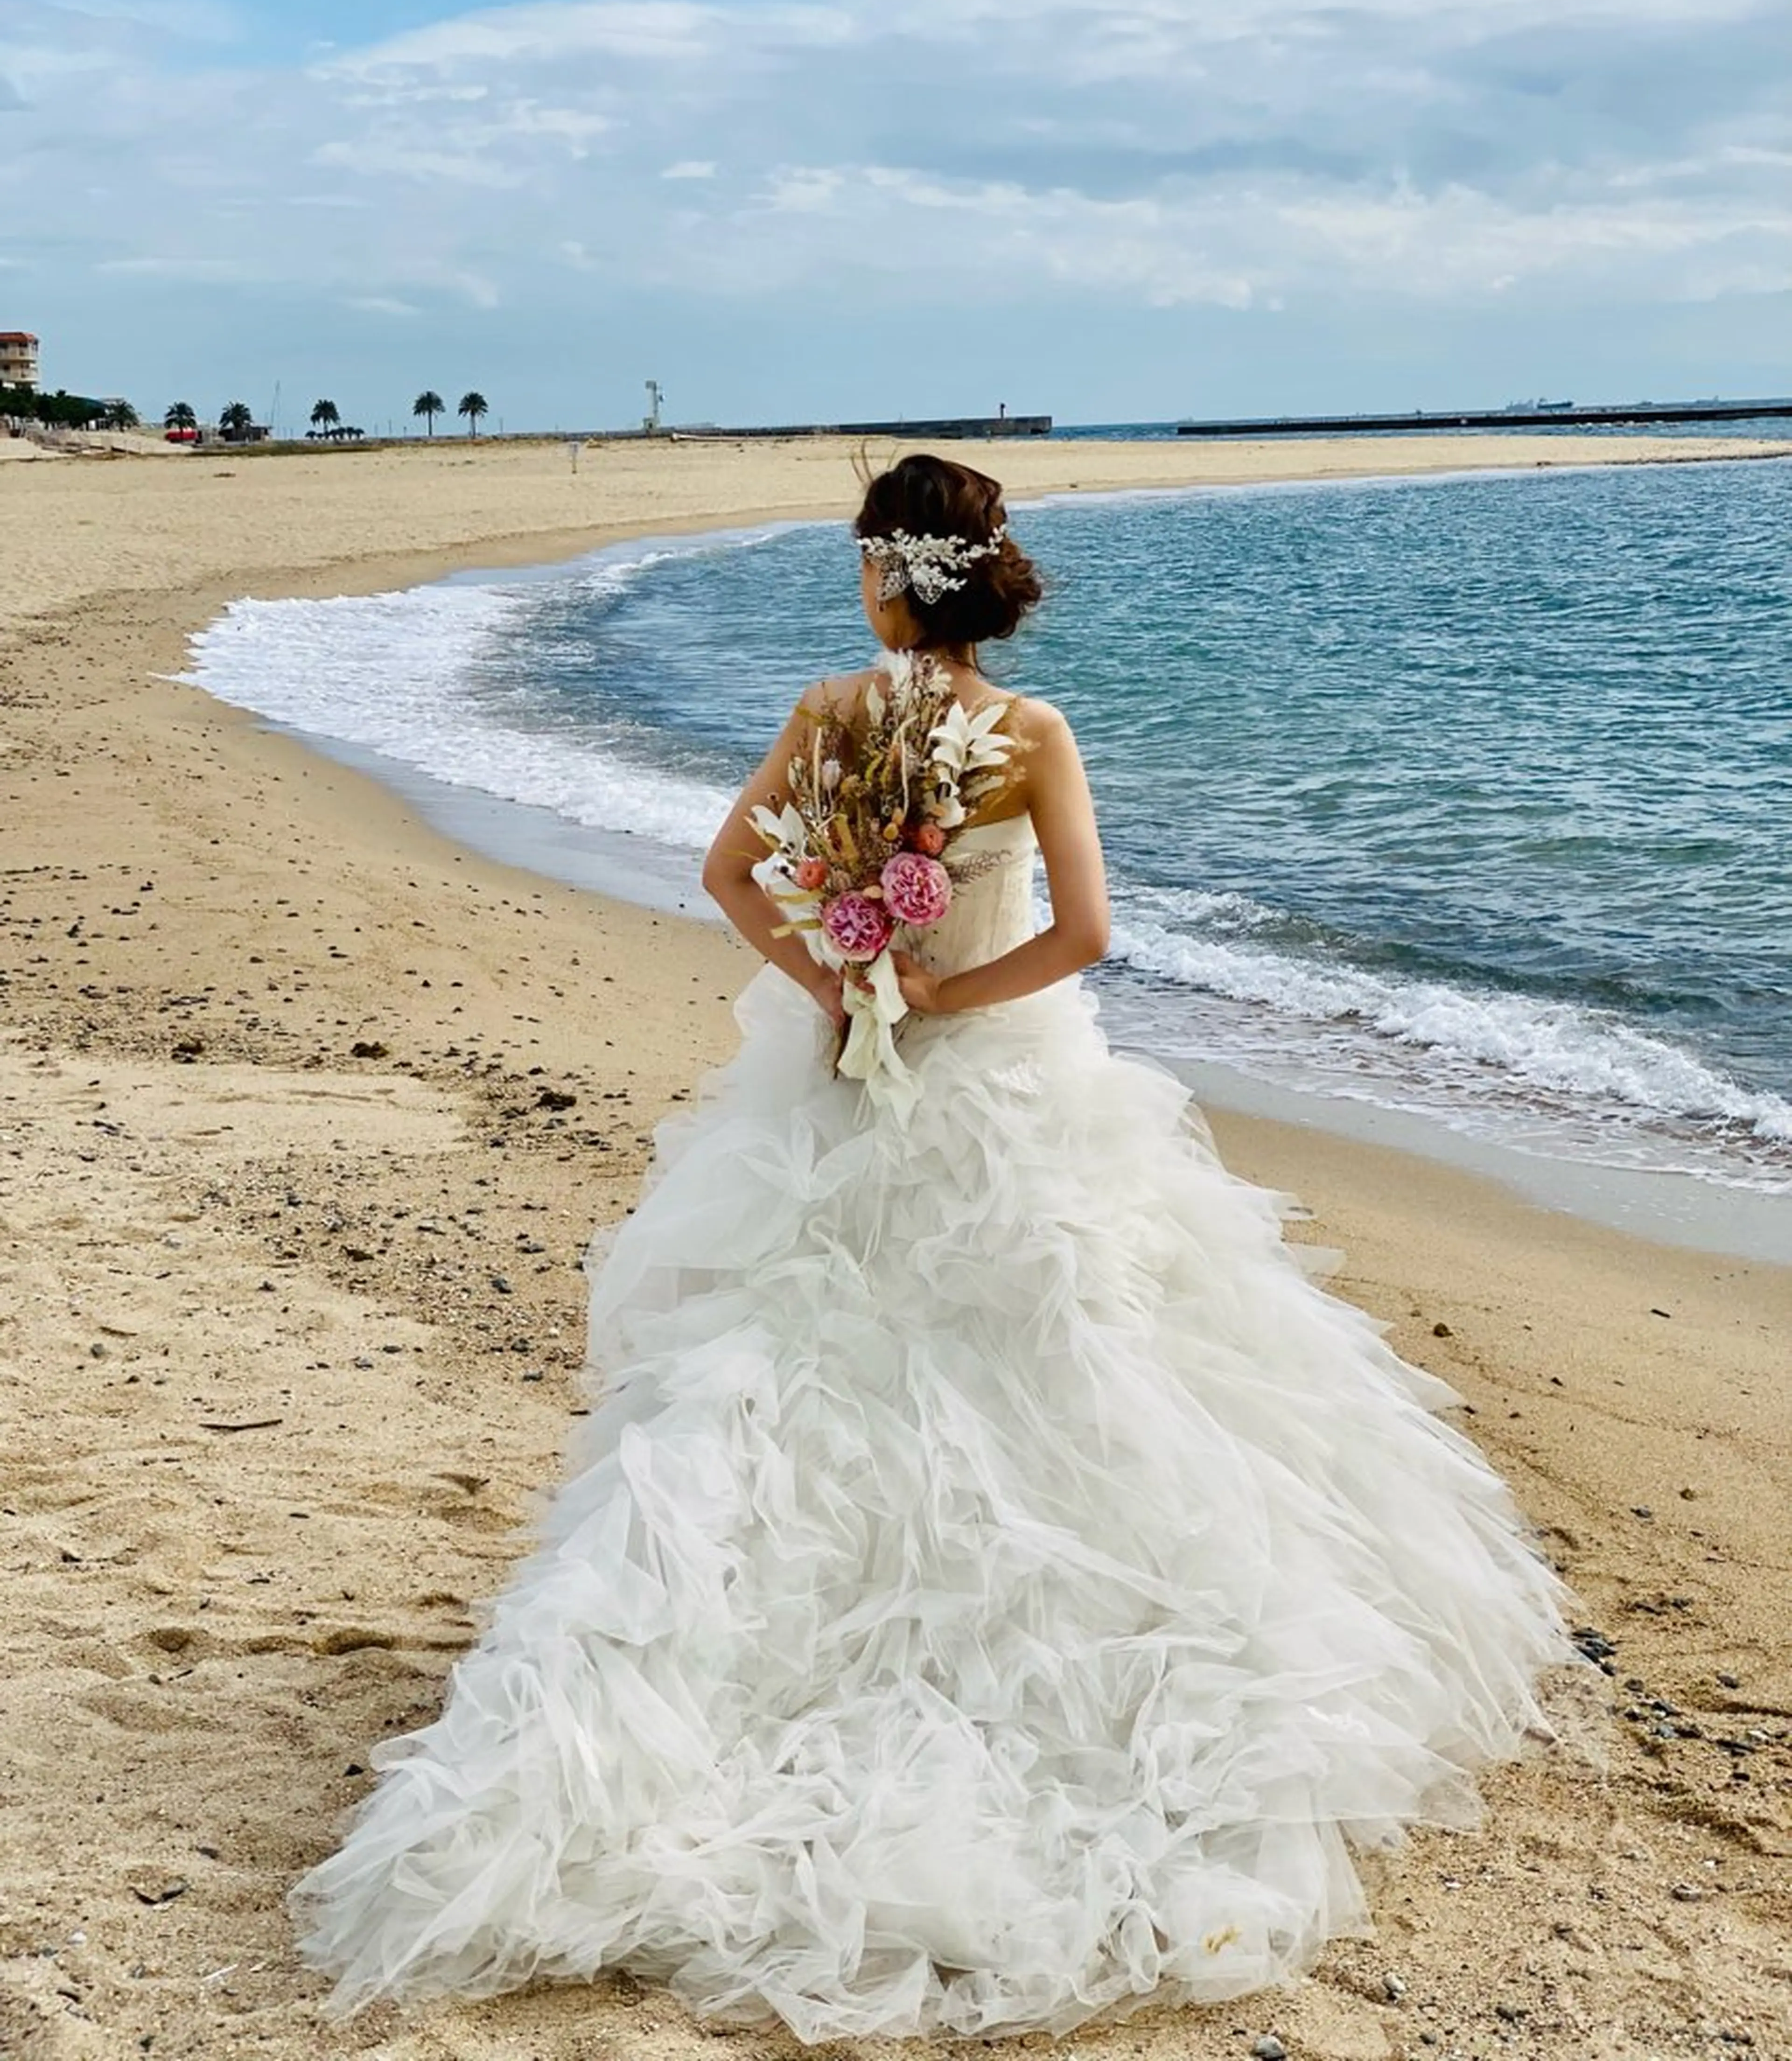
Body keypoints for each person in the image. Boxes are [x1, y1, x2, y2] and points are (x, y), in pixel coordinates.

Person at [289, 452, 1581, 2042]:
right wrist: (947, 1001)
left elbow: (724, 876)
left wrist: (844, 987)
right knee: (1068, 1355)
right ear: (984, 576)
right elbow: (1086, 936)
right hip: (1005, 1080)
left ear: (884, 575)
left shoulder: (835, 714)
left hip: (834, 1079)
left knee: (784, 1355)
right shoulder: (1030, 734)